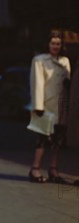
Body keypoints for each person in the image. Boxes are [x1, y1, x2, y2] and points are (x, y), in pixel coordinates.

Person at [28, 30, 71, 183]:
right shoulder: (39, 60)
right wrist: (38, 105)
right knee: (42, 138)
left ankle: (53, 169)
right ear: (47, 44)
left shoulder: (65, 61)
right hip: (46, 105)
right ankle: (35, 168)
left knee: (58, 139)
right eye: (53, 43)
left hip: (60, 106)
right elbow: (37, 83)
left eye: (58, 44)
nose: (55, 46)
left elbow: (68, 81)